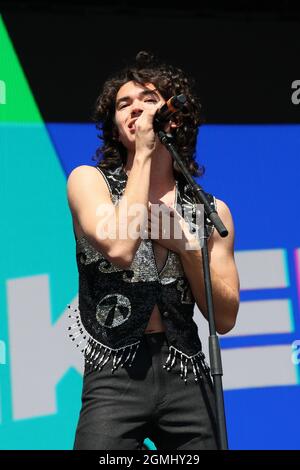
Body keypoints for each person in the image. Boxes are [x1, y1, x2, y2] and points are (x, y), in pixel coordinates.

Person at [66, 51, 240, 450]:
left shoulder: (208, 209)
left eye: (147, 100)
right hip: (115, 372)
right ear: (114, 125)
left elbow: (226, 315)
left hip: (186, 372)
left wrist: (184, 244)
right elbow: (120, 247)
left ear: (172, 118)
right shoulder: (89, 182)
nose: (134, 109)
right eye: (123, 104)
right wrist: (143, 154)